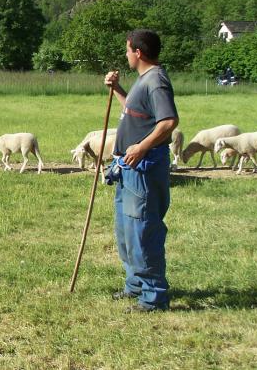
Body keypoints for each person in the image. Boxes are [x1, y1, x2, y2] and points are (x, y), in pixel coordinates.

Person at [104, 29, 179, 312]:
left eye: (127, 50)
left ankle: (153, 297)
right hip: (128, 168)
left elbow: (169, 121)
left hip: (144, 168)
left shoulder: (156, 81)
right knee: (126, 231)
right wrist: (118, 90)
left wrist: (141, 147)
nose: (126, 55)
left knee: (143, 231)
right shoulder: (143, 80)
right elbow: (136, 113)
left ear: (138, 52)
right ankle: (135, 284)